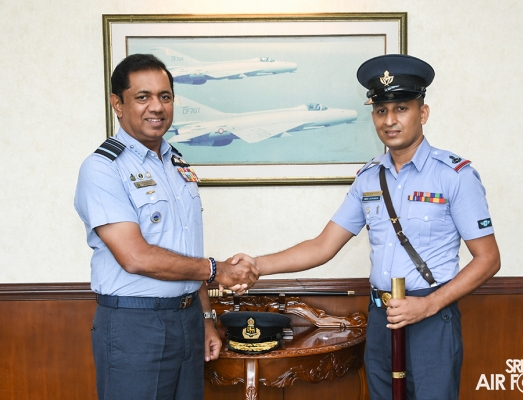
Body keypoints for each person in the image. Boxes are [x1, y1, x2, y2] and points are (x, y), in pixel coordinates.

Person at [243, 54, 500, 399]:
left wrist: (428, 305)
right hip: (381, 316)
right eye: (381, 111)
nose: (389, 120)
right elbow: (323, 245)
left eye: (401, 109)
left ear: (423, 113)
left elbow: (488, 259)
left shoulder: (454, 175)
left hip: (430, 316)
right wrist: (256, 266)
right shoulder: (368, 178)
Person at [74, 53, 258, 400]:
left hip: (187, 321)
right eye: (142, 97)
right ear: (118, 104)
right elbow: (135, 257)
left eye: (165, 96)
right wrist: (217, 270)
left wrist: (205, 319)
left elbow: (187, 252)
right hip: (135, 325)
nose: (156, 107)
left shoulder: (176, 164)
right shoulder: (103, 169)